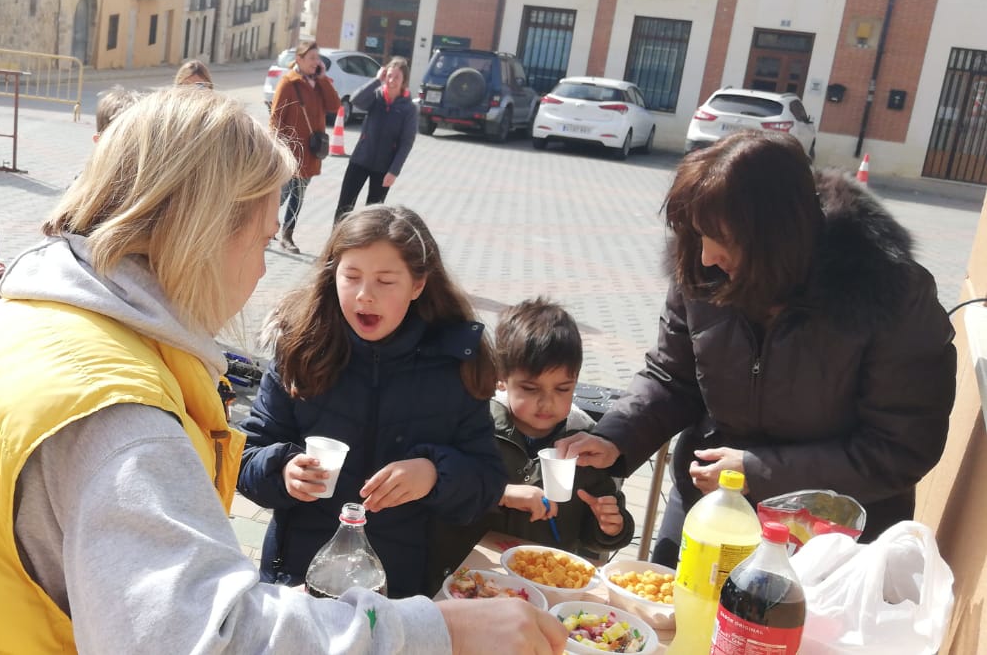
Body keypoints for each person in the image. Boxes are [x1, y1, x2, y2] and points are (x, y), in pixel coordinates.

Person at [0, 90, 565, 653]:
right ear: (205, 235)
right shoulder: (115, 414)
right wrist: (434, 634)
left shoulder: (23, 319)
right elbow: (199, 635)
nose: (260, 268)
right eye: (260, 233)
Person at [558, 131, 957, 565]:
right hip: (709, 510)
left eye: (721, 239)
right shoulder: (698, 267)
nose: (707, 256)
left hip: (832, 548)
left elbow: (902, 447)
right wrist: (616, 437)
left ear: (776, 238)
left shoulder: (893, 294)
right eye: (698, 235)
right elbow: (673, 377)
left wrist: (760, 471)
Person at [239, 204, 509, 598]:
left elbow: (486, 483)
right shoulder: (301, 349)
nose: (365, 296)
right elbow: (245, 456)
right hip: (299, 577)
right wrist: (282, 471)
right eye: (351, 277)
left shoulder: (455, 364)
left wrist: (435, 475)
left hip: (398, 585)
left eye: (385, 281)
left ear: (418, 285)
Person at [476, 298, 631, 560]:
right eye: (530, 388)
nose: (547, 402)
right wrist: (501, 494)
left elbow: (594, 530)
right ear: (501, 379)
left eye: (562, 389)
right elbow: (451, 491)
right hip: (478, 569)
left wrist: (611, 527)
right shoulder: (480, 427)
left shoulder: (583, 443)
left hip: (547, 573)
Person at [269, 41, 340, 253]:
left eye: (317, 58)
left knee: (299, 195)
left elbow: (334, 105)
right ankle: (264, 226)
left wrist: (323, 79)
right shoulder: (289, 83)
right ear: (299, 59)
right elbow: (275, 117)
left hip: (311, 151)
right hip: (290, 151)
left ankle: (287, 235)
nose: (315, 62)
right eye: (311, 58)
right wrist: (276, 147)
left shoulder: (318, 83)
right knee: (282, 193)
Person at [335, 57, 417, 222]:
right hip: (360, 160)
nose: (392, 81)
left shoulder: (408, 108)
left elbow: (406, 142)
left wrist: (394, 171)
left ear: (404, 81)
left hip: (384, 168)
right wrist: (376, 80)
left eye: (397, 77)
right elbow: (355, 100)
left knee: (373, 214)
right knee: (345, 207)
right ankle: (336, 244)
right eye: (389, 76)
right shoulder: (376, 97)